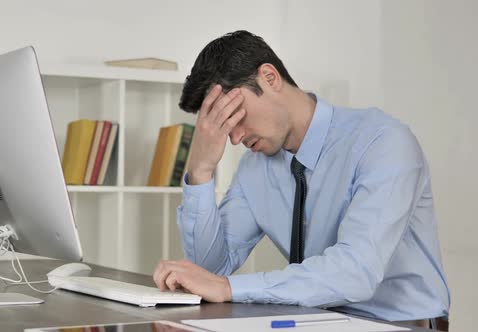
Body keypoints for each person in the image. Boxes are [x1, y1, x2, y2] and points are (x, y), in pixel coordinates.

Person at [152, 30, 450, 328]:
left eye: (234, 115)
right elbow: (210, 270)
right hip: (318, 323)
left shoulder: (383, 143)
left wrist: (229, 288)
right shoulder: (255, 168)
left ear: (269, 78)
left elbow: (356, 273)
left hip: (399, 325)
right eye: (221, 124)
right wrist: (201, 170)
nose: (234, 136)